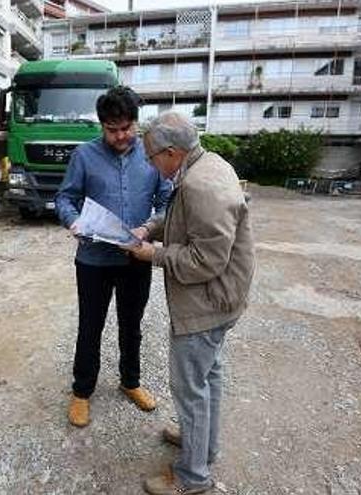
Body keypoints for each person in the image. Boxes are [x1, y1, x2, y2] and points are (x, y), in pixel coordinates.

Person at [126, 111, 255, 495]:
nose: (150, 165)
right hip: (222, 299)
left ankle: (192, 477)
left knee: (190, 387)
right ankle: (202, 446)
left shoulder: (201, 184)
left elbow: (206, 260)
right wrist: (150, 226)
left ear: (170, 152)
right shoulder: (205, 165)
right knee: (208, 376)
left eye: (151, 158)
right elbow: (183, 219)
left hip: (208, 303)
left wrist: (154, 254)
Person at [55, 86, 172, 428]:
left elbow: (166, 202)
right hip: (93, 260)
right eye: (112, 129)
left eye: (126, 128)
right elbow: (65, 198)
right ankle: (81, 391)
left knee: (131, 326)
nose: (120, 136)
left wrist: (148, 228)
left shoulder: (152, 157)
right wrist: (72, 220)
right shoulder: (84, 156)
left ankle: (130, 382)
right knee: (90, 327)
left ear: (135, 122)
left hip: (136, 259)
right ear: (102, 125)